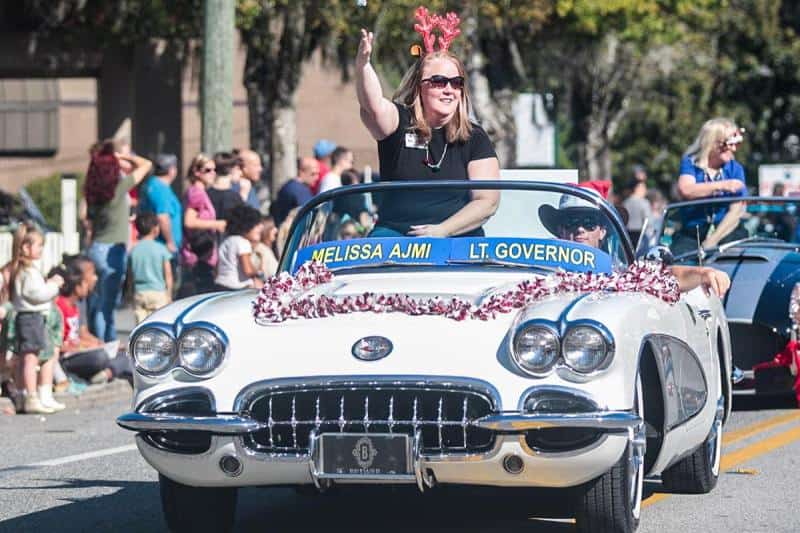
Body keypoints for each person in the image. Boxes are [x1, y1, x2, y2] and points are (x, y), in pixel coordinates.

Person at [355, 8, 500, 238]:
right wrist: (363, 65)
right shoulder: (400, 122)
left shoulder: (475, 137)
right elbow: (372, 106)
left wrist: (443, 231)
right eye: (439, 81)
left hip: (458, 238)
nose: (449, 90)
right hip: (394, 235)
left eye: (456, 82)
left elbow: (487, 201)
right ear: (419, 87)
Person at [539, 192, 731, 297]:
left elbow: (666, 276)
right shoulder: (538, 264)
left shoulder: (617, 270)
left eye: (589, 222)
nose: (580, 229)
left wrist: (704, 273)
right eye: (572, 222)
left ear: (603, 231)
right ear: (560, 230)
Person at [84, 140, 151, 341]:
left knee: (96, 304)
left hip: (96, 249)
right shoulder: (119, 188)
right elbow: (146, 165)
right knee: (109, 307)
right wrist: (121, 157)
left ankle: (98, 341)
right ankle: (109, 345)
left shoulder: (92, 193)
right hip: (114, 250)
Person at [9, 222, 65, 413]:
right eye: (39, 245)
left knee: (29, 358)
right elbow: (37, 294)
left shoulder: (23, 271)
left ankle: (28, 394)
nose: (41, 249)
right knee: (31, 359)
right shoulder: (29, 272)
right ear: (26, 247)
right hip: (31, 318)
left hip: (29, 318)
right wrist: (54, 285)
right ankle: (31, 397)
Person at [54, 256, 131, 385]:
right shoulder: (60, 306)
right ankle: (107, 372)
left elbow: (82, 333)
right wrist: (87, 346)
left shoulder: (78, 304)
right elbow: (59, 343)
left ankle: (105, 373)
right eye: (92, 274)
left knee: (126, 355)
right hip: (69, 357)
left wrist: (101, 344)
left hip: (82, 352)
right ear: (78, 283)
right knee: (100, 357)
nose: (95, 278)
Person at [676, 118, 748, 250]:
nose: (734, 149)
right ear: (713, 143)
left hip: (727, 232)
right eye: (729, 144)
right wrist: (723, 185)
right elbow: (686, 190)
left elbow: (736, 212)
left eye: (736, 144)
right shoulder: (690, 163)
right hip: (693, 234)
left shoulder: (735, 169)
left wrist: (712, 240)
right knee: (679, 263)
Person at [180, 153, 227, 296]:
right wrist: (217, 224)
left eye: (214, 170)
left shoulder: (198, 192)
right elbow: (189, 221)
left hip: (202, 253)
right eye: (208, 170)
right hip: (197, 255)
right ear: (196, 171)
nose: (213, 174)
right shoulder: (197, 193)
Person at [128, 213, 173, 324]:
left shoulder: (134, 250)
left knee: (141, 329)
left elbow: (130, 275)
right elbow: (168, 274)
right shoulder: (161, 248)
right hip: (158, 293)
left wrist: (130, 293)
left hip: (140, 293)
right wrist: (169, 294)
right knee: (158, 327)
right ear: (155, 229)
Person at [138, 153, 182, 256]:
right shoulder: (161, 189)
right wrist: (170, 242)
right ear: (171, 170)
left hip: (155, 246)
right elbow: (163, 217)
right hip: (163, 248)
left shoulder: (151, 184)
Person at [215, 205, 265, 291]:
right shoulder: (243, 242)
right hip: (238, 287)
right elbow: (248, 270)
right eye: (256, 225)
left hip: (221, 284)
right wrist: (259, 273)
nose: (260, 228)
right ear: (246, 226)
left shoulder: (226, 241)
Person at [270, 157, 318, 227]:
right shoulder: (297, 190)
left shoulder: (295, 187)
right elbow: (309, 213)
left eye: (317, 174)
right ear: (301, 172)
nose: (316, 177)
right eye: (313, 174)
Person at [207, 152, 245, 221]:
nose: (241, 173)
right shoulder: (234, 197)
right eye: (239, 169)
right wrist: (244, 192)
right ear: (234, 169)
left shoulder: (205, 193)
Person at [623, 177, 650, 247]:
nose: (645, 190)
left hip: (627, 236)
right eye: (643, 188)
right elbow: (649, 221)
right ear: (637, 188)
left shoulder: (625, 203)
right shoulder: (644, 203)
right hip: (641, 237)